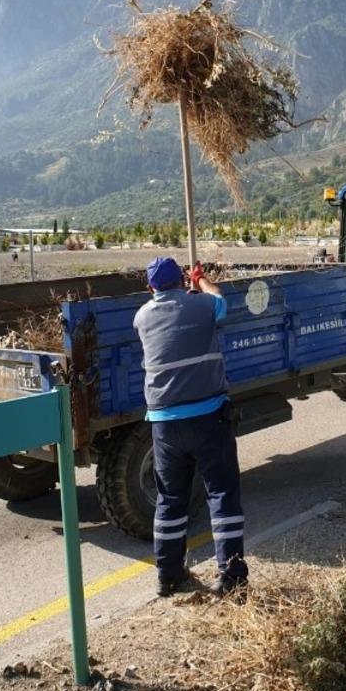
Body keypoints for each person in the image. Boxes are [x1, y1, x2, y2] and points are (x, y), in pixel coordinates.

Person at [132, 255, 248, 598]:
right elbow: (221, 301)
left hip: (165, 425)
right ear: (181, 280)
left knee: (170, 500)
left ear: (150, 287)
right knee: (222, 494)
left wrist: (187, 289)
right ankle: (231, 577)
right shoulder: (201, 306)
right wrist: (201, 281)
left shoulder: (142, 317)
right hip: (208, 416)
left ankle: (169, 576)